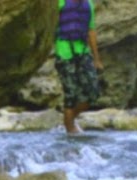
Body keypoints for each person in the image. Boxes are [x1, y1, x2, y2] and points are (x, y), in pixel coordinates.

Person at [53, 0, 103, 134]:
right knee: (71, 95)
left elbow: (91, 31)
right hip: (64, 54)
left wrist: (97, 59)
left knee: (93, 92)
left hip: (83, 53)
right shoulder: (60, 3)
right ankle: (70, 130)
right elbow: (49, 26)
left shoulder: (88, 4)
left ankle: (69, 119)